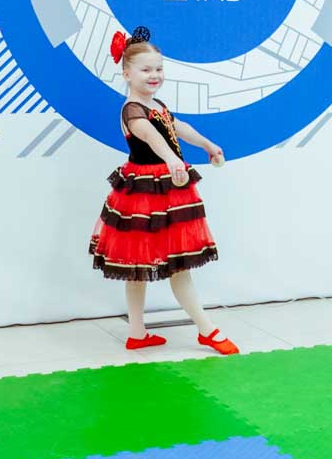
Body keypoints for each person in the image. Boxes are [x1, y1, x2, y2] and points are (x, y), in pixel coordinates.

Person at [89, 26, 238, 356]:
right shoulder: (132, 110)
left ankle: (138, 332)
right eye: (146, 70)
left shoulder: (156, 104)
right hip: (146, 192)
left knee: (152, 266)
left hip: (164, 188)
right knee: (153, 265)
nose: (154, 75)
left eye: (158, 68)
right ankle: (206, 330)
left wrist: (207, 144)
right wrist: (173, 161)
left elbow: (177, 127)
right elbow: (150, 136)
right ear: (127, 74)